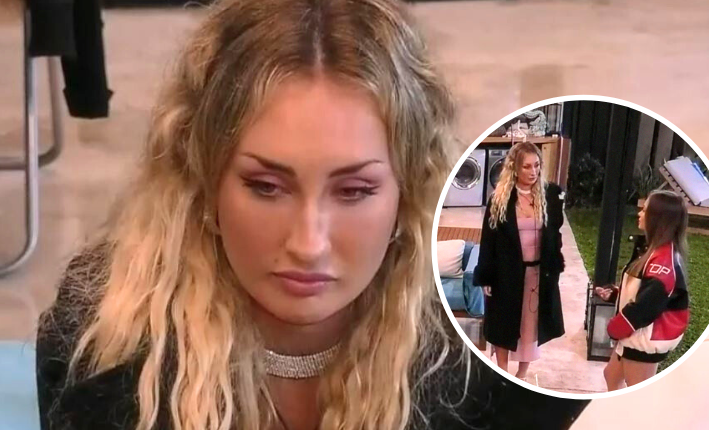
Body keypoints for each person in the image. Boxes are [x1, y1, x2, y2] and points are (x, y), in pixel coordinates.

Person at [35, 1, 589, 429]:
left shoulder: (484, 376)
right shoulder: (102, 348)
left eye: (354, 191)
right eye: (266, 187)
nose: (308, 243)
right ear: (202, 178)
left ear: (409, 192)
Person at [474, 141, 566, 381]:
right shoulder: (500, 199)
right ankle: (502, 371)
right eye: (527, 166)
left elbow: (555, 236)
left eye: (536, 165)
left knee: (531, 325)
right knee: (503, 325)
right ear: (515, 168)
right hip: (507, 273)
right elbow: (488, 240)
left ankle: (522, 374)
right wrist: (486, 275)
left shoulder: (550, 197)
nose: (533, 171)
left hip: (538, 273)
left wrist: (554, 266)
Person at [595, 190, 690, 391]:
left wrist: (615, 328)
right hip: (633, 337)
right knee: (611, 375)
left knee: (637, 394)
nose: (639, 214)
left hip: (643, 342)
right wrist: (616, 295)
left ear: (658, 219)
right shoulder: (653, 251)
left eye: (645, 210)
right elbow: (643, 292)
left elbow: (646, 307)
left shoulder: (663, 263)